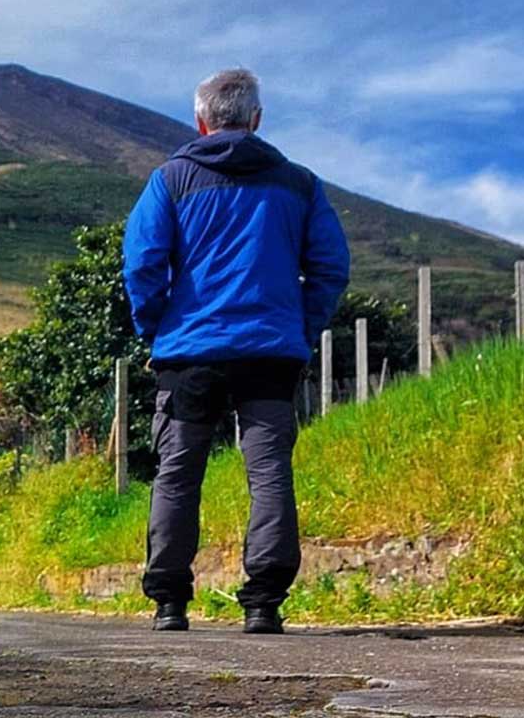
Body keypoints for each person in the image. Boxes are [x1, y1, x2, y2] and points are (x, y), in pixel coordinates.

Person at [121, 68, 350, 634]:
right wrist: (300, 324)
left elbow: (143, 263)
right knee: (270, 471)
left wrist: (155, 328)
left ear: (200, 121)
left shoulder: (170, 180)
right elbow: (330, 266)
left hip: (189, 352)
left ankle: (170, 603)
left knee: (177, 473)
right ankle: (264, 603)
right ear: (256, 119)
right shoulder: (299, 184)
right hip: (271, 351)